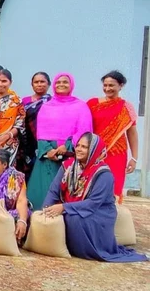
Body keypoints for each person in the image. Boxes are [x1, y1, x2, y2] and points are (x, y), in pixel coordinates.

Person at [43, 133, 147, 262]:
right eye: (78, 145)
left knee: (74, 219)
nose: (79, 149)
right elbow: (53, 191)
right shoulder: (68, 166)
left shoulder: (103, 174)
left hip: (99, 214)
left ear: (94, 150)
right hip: (74, 208)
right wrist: (45, 209)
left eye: (84, 147)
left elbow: (93, 203)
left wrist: (63, 207)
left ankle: (82, 249)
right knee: (49, 217)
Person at [27, 73, 92, 210]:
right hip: (47, 157)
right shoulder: (47, 106)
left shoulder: (81, 106)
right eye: (58, 82)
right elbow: (40, 132)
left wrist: (67, 146)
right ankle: (40, 219)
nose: (61, 84)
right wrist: (48, 150)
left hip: (71, 155)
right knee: (41, 194)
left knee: (67, 192)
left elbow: (84, 130)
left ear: (71, 85)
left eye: (65, 82)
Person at [87, 71, 139, 201]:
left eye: (111, 85)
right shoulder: (92, 104)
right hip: (95, 151)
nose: (107, 88)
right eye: (105, 85)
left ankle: (111, 210)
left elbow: (132, 133)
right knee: (92, 184)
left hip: (117, 152)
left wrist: (134, 158)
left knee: (113, 186)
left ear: (121, 86)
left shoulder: (126, 108)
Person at [0, 69, 25, 165]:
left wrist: (5, 137)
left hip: (9, 144)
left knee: (6, 170)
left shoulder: (17, 101)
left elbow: (19, 125)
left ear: (10, 82)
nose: (0, 84)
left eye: (4, 81)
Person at [19, 72, 52, 182]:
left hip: (46, 141)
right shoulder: (24, 101)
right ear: (32, 84)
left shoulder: (52, 102)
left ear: (49, 84)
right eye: (36, 82)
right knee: (27, 172)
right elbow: (19, 120)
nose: (39, 84)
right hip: (27, 142)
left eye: (42, 82)